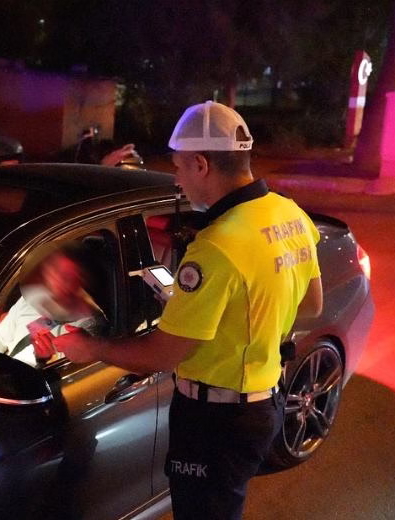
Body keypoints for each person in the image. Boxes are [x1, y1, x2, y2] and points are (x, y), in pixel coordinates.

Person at [53, 101, 323, 520]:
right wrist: (226, 317)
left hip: (214, 420)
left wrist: (91, 348)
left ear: (201, 164)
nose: (177, 179)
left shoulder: (217, 246)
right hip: (261, 404)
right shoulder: (290, 214)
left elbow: (162, 355)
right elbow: (311, 304)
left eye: (179, 167)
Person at [0, 243, 105, 366]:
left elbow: (66, 370)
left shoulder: (88, 326)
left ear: (81, 279)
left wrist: (42, 360)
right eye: (55, 271)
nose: (58, 281)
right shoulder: (30, 299)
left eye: (67, 276)